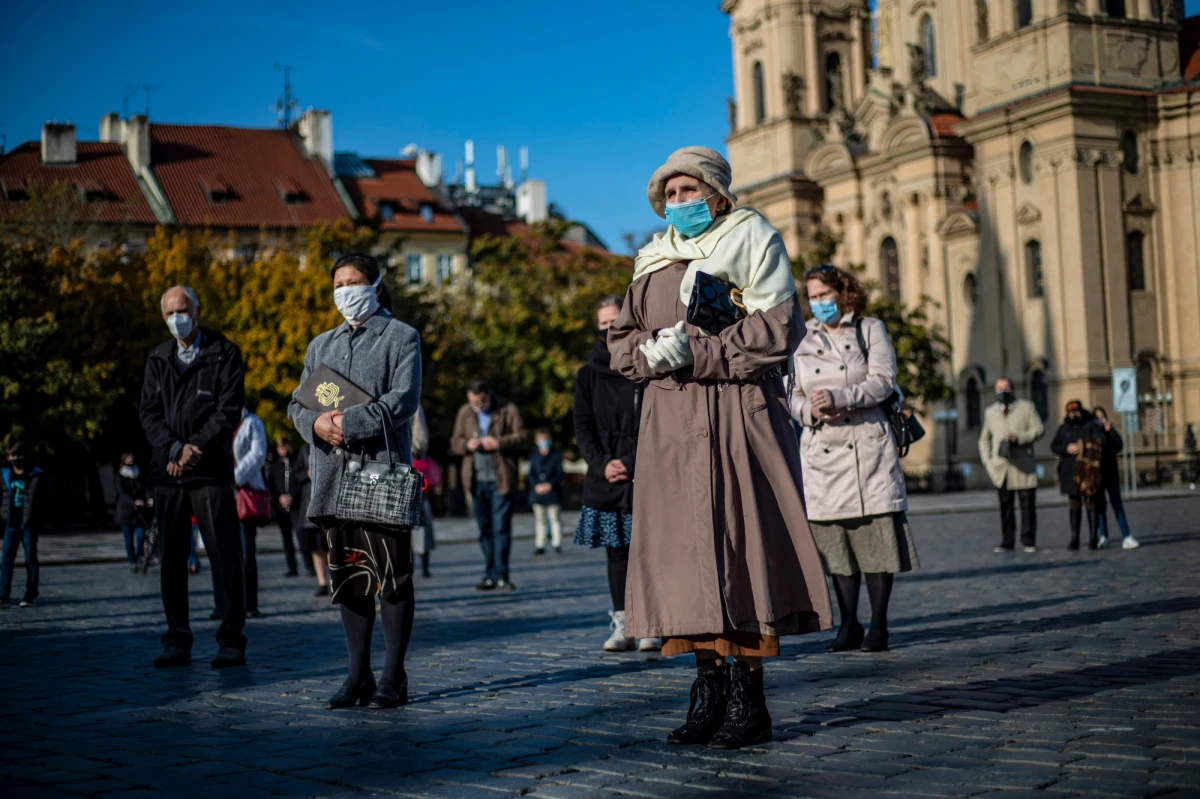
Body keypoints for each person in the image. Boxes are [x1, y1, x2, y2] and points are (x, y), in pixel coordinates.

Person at [608, 146, 832, 750]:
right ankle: (705, 690)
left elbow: (777, 330)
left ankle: (747, 697)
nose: (681, 203)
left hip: (736, 414)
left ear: (716, 191)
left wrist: (699, 352)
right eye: (671, 195)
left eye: (690, 191)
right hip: (672, 427)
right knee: (683, 559)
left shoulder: (753, 238)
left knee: (740, 548)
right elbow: (621, 338)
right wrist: (646, 354)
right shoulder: (651, 260)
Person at [288, 252, 422, 710]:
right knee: (349, 576)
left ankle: (393, 675)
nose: (345, 290)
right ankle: (357, 674)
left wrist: (349, 422)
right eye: (338, 284)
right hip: (331, 475)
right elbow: (296, 405)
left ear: (375, 284)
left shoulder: (402, 336)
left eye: (354, 281)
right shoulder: (319, 345)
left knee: (392, 575)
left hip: (380, 472)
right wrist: (316, 427)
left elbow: (402, 400)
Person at [791, 265, 919, 654]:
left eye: (825, 294)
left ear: (843, 293)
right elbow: (789, 392)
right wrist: (809, 412)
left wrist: (840, 397)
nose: (819, 303)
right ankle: (849, 624)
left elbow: (883, 380)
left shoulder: (869, 329)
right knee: (836, 544)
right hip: (822, 451)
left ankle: (878, 625)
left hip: (866, 446)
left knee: (876, 540)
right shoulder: (800, 336)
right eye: (812, 296)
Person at [139, 285, 247, 668]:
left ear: (197, 312)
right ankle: (177, 640)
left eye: (181, 310)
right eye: (168, 313)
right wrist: (173, 449)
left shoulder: (225, 353)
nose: (175, 319)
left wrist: (193, 450)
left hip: (210, 471)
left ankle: (231, 639)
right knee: (171, 559)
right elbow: (149, 414)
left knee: (224, 556)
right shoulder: (158, 358)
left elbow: (228, 410)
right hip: (167, 472)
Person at [574, 296, 661, 653]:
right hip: (605, 475)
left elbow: (657, 423)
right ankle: (623, 622)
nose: (610, 329)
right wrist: (603, 463)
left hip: (646, 471)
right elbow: (583, 424)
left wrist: (631, 459)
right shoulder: (588, 374)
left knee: (651, 551)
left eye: (616, 322)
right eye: (604, 324)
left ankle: (652, 622)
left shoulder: (647, 367)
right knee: (617, 553)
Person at [450, 380, 527, 591]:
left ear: (488, 395)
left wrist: (499, 443)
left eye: (481, 402)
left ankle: (502, 574)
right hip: (475, 480)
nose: (478, 406)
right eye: (474, 402)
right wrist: (467, 445)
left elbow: (522, 435)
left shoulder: (507, 409)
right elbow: (455, 442)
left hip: (500, 479)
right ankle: (489, 573)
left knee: (501, 527)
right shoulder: (465, 412)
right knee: (484, 529)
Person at [978, 377, 1045, 553]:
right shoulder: (990, 412)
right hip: (1001, 468)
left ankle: (1028, 540)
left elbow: (1039, 429)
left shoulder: (1026, 407)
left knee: (1027, 505)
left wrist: (1020, 437)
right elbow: (984, 440)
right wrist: (989, 462)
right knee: (1005, 506)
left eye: (1006, 387)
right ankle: (1007, 541)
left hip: (1023, 465)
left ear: (1013, 389)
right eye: (999, 388)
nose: (1003, 391)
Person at [1050, 400, 1100, 550]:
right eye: (1070, 412)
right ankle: (1074, 538)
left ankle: (1093, 538)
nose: (1073, 414)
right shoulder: (1064, 428)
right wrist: (1066, 448)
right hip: (1069, 472)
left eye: (1076, 411)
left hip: (1088, 472)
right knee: (1074, 505)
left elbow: (1099, 442)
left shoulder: (1090, 425)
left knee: (1091, 503)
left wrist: (1084, 446)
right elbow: (1054, 446)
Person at [232, 406, 267, 617]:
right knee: (221, 552)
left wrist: (236, 477)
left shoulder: (252, 422)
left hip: (244, 492)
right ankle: (224, 603)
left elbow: (257, 455)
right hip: (223, 494)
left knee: (246, 553)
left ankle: (249, 603)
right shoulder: (217, 418)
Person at [1, 442, 45, 608]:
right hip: (10, 523)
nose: (16, 459)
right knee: (6, 560)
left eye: (19, 455)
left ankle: (31, 593)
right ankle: (3, 594)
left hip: (29, 524)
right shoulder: (4, 474)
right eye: (12, 456)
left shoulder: (36, 475)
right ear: (8, 457)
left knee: (30, 559)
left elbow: (41, 499)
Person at [1091, 407, 1139, 549]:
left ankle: (1126, 535)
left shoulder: (1110, 432)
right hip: (1098, 476)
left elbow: (1119, 445)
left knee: (1117, 505)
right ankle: (1103, 536)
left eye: (1103, 417)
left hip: (1111, 474)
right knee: (1100, 507)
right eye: (1098, 418)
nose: (1101, 420)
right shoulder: (1092, 433)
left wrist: (1110, 430)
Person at [266, 435, 315, 578]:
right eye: (280, 448)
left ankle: (309, 565)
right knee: (286, 539)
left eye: (285, 446)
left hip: (297, 505)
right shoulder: (275, 466)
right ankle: (291, 567)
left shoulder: (296, 463)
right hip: (281, 507)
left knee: (302, 536)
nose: (283, 450)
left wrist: (293, 496)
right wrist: (279, 498)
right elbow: (271, 486)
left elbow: (300, 482)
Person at [410, 406, 439, 578]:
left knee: (419, 523)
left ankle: (422, 566)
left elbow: (420, 441)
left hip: (410, 467)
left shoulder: (413, 404)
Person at [528, 429, 564, 555]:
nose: (543, 442)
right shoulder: (534, 455)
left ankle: (556, 543)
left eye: (545, 439)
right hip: (537, 492)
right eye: (541, 440)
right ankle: (540, 544)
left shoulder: (556, 455)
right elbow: (531, 473)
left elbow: (559, 473)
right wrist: (536, 485)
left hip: (553, 492)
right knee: (539, 519)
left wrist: (550, 484)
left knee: (555, 518)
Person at [115, 452, 152, 571]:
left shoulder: (139, 473)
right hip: (126, 512)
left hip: (140, 512)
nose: (131, 460)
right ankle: (132, 560)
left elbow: (145, 488)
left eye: (132, 458)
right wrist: (133, 502)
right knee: (128, 539)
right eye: (128, 458)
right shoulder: (120, 475)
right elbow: (122, 494)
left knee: (141, 536)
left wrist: (148, 498)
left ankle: (141, 556)